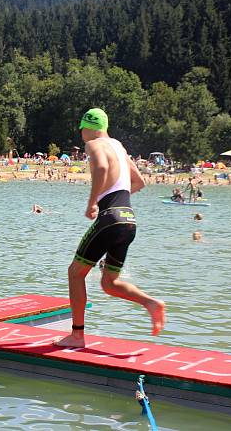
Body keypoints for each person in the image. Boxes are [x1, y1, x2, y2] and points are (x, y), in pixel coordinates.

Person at [55, 108, 165, 348]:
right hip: (128, 220)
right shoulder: (119, 146)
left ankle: (77, 335)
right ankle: (151, 303)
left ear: (90, 127)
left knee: (75, 273)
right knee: (109, 283)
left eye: (82, 129)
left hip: (110, 219)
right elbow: (139, 181)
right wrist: (114, 199)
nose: (82, 135)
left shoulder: (94, 145)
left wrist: (94, 202)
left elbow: (103, 169)